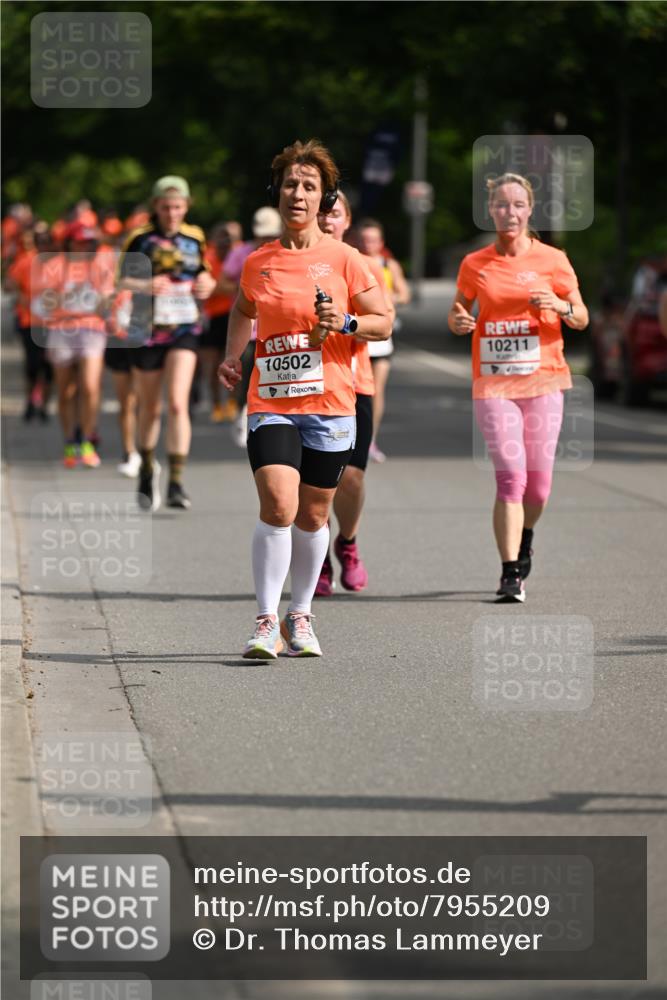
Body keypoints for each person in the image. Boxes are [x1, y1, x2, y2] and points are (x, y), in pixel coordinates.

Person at [218, 139, 391, 658]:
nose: (298, 194)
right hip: (271, 399)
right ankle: (266, 620)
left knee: (314, 515)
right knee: (278, 503)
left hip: (333, 402)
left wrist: (349, 322)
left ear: (325, 199)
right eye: (291, 184)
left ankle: (302, 615)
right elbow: (242, 312)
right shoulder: (259, 262)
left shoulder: (346, 259)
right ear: (278, 193)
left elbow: (384, 321)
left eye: (309, 187)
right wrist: (232, 357)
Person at [449, 172, 588, 602]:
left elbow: (582, 317)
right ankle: (510, 572)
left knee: (538, 485)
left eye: (517, 205)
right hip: (494, 383)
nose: (509, 212)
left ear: (529, 211)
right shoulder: (475, 263)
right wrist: (457, 320)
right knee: (510, 478)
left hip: (544, 378)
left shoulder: (553, 260)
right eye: (501, 205)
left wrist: (560, 305)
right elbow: (459, 308)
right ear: (490, 210)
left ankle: (525, 535)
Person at [314, 191, 395, 596]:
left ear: (347, 221)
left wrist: (346, 323)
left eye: (336, 214)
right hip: (304, 385)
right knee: (312, 483)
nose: (328, 220)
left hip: (353, 383)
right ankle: (320, 560)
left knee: (351, 479)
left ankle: (347, 543)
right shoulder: (289, 262)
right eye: (322, 213)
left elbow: (383, 323)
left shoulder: (359, 265)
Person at [118, 175, 215, 511]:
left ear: (186, 207)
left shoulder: (195, 237)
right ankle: (147, 468)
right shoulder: (140, 238)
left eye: (177, 207)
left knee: (177, 402)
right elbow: (121, 280)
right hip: (146, 329)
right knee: (150, 407)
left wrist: (206, 283)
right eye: (165, 207)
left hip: (184, 326)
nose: (172, 213)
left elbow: (205, 273)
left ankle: (175, 481)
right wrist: (146, 285)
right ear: (155, 207)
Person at [40, 222, 116, 467]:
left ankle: (86, 439)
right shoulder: (54, 265)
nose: (83, 247)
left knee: (90, 387)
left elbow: (107, 298)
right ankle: (70, 441)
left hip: (92, 328)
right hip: (61, 329)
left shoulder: (101, 265)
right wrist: (72, 295)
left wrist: (105, 302)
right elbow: (46, 302)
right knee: (66, 390)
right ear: (69, 243)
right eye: (78, 242)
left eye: (88, 242)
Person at [357, 218, 411, 462]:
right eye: (365, 239)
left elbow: (405, 294)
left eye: (373, 240)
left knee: (376, 391)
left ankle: (371, 441)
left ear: (381, 242)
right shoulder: (352, 262)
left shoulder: (389, 265)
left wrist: (389, 298)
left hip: (380, 339)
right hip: (357, 336)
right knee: (355, 390)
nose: (369, 244)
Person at [4, 223, 54, 422]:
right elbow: (9, 284)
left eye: (47, 242)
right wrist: (21, 296)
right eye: (39, 242)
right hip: (30, 321)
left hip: (54, 324)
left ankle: (44, 406)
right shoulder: (26, 261)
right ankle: (29, 402)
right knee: (32, 366)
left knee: (49, 367)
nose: (43, 245)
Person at [200, 222, 242, 423]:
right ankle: (216, 404)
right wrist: (224, 288)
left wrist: (221, 287)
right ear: (213, 242)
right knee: (212, 364)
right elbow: (206, 288)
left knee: (235, 363)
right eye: (221, 241)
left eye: (228, 241)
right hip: (212, 315)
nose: (225, 245)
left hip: (232, 316)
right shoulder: (207, 258)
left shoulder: (238, 255)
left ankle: (232, 403)